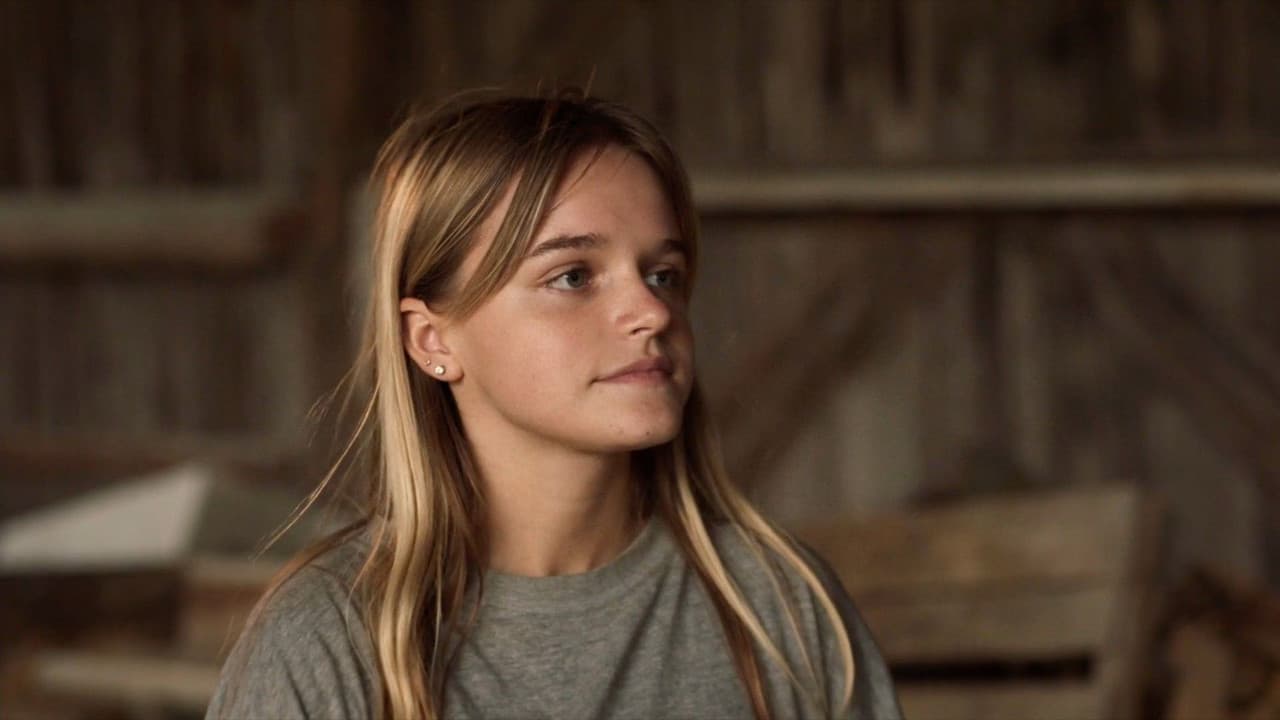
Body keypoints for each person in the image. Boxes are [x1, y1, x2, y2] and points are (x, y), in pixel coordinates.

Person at [205, 88, 903, 720]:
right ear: (431, 340)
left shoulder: (781, 611)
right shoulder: (328, 642)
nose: (652, 312)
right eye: (572, 276)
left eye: (663, 274)